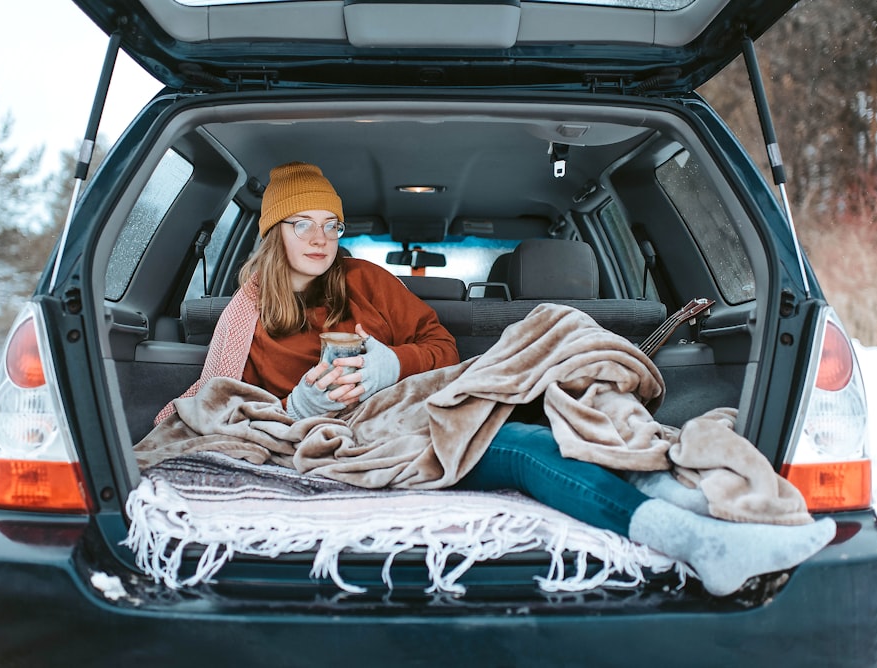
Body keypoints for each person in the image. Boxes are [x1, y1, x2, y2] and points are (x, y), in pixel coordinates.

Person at [159, 161, 836, 597]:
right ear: (274, 229)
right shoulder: (244, 313)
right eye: (302, 223)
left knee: (570, 421)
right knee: (513, 446)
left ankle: (692, 506)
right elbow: (229, 409)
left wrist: (394, 365)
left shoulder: (368, 280)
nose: (320, 236)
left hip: (412, 401)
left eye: (331, 223)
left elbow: (441, 344)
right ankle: (693, 537)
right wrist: (299, 403)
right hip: (349, 437)